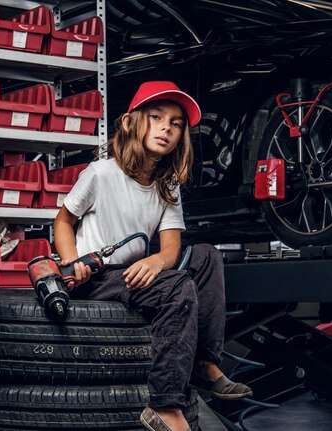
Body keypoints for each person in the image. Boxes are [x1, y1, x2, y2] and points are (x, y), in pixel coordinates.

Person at [53, 81, 252, 431]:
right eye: (156, 117)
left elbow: (172, 247)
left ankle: (204, 364)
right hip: (99, 278)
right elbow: (64, 220)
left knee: (206, 256)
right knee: (178, 287)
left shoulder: (167, 184)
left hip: (137, 274)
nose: (166, 128)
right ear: (131, 123)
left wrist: (156, 261)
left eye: (176, 123)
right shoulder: (101, 173)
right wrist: (73, 264)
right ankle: (164, 405)